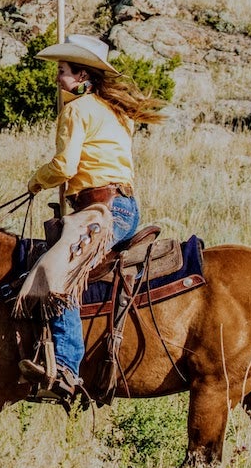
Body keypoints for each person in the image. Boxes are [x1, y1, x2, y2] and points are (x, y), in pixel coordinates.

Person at [23, 34, 163, 396]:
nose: (58, 77)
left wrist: (37, 181)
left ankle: (67, 366)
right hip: (119, 205)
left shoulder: (76, 110)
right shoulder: (115, 111)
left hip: (101, 208)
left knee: (62, 270)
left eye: (64, 71)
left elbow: (65, 165)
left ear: (83, 75)